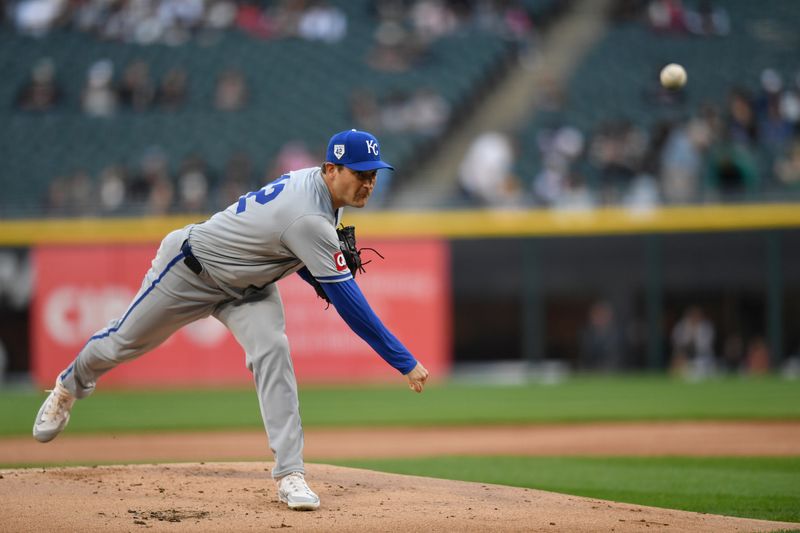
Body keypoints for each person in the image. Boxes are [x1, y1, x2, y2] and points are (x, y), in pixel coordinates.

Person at [32, 129, 430, 511]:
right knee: (123, 342)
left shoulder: (316, 189)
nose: (368, 183)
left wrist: (315, 275)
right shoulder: (310, 215)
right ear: (330, 170)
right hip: (190, 271)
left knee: (273, 350)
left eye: (373, 173)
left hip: (249, 288)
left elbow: (289, 246)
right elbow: (351, 306)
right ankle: (68, 387)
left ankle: (290, 473)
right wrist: (403, 361)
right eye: (360, 173)